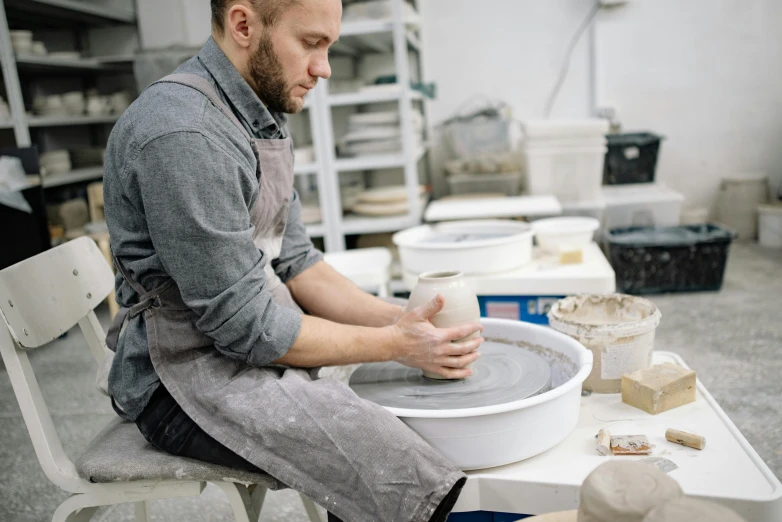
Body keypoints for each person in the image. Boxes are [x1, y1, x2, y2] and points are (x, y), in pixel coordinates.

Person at [102, 0, 484, 520]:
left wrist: (403, 320)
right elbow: (247, 328)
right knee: (386, 449)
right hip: (182, 379)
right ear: (243, 24)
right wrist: (395, 345)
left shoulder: (255, 111)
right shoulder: (183, 135)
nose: (323, 68)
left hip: (242, 339)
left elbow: (299, 264)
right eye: (311, 44)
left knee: (389, 405)